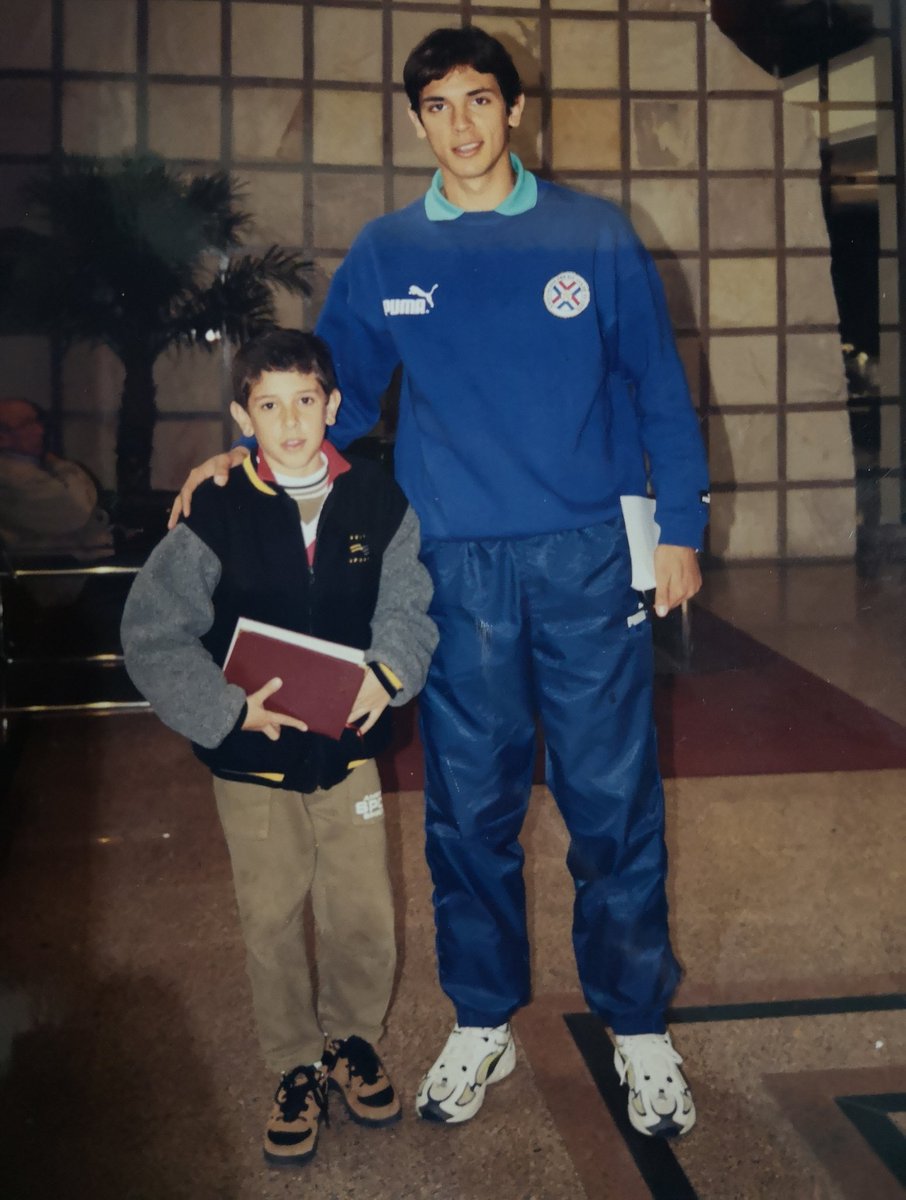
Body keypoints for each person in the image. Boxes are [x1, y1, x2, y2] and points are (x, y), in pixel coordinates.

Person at [171, 27, 709, 1139]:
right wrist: (249, 457)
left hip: (585, 555)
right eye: (438, 106)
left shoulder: (593, 235)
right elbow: (336, 402)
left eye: (479, 100)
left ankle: (639, 1026)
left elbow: (659, 388)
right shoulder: (386, 252)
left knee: (612, 800)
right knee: (471, 807)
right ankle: (480, 1018)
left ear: (513, 110)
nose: (460, 123)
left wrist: (681, 531)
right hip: (449, 564)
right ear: (417, 121)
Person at [122, 329, 437, 1166]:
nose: (291, 422)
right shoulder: (215, 509)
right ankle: (296, 1063)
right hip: (250, 759)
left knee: (363, 909)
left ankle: (353, 1042)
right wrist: (225, 710)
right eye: (270, 405)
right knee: (270, 914)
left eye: (306, 402)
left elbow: (408, 603)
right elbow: (151, 635)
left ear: (333, 407)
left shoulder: (377, 497)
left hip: (348, 749)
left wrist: (390, 668)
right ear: (242, 416)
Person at [0, 397, 113, 605]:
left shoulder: (30, 465)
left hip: (81, 566)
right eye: (27, 425)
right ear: (3, 437)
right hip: (63, 580)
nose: (40, 431)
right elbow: (76, 510)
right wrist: (61, 465)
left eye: (37, 422)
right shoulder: (11, 475)